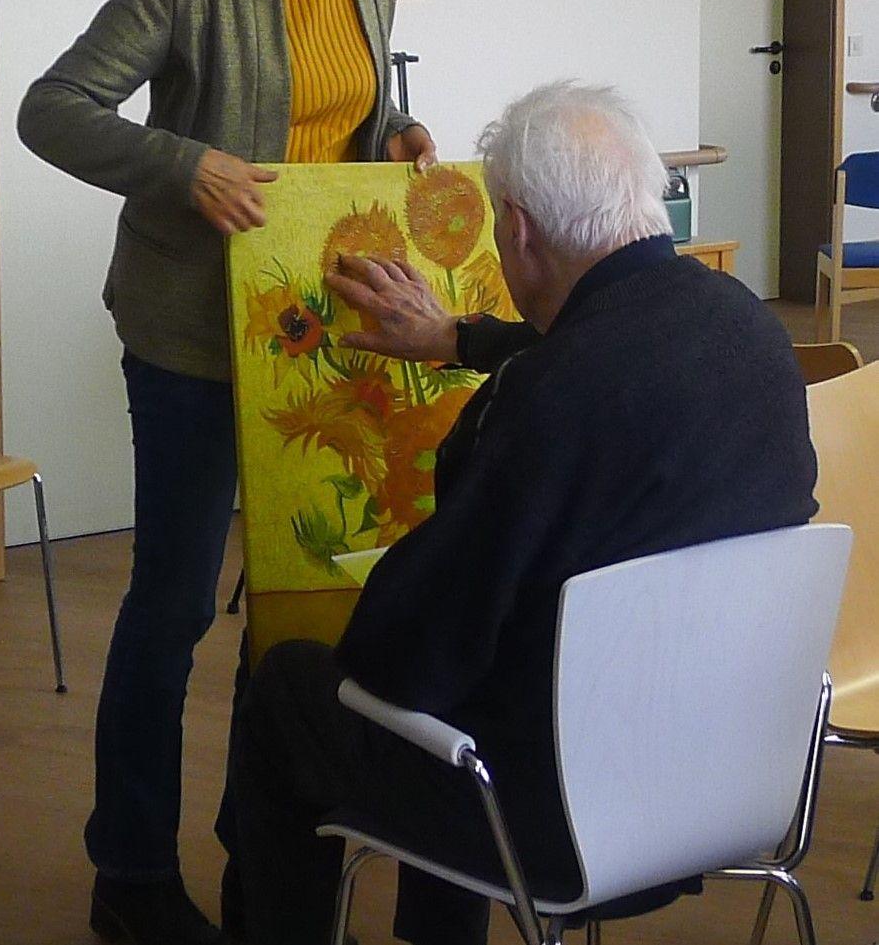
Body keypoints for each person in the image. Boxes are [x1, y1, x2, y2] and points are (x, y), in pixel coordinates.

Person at [220, 79, 819, 945]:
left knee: (296, 688)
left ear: (516, 228)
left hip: (557, 816)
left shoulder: (549, 397)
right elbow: (609, 344)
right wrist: (461, 337)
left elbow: (406, 657)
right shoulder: (751, 331)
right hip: (733, 780)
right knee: (489, 658)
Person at [17, 0, 434, 945]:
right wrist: (179, 161)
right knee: (174, 604)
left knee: (303, 594)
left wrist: (395, 133)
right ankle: (130, 871)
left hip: (319, 324)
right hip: (194, 334)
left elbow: (338, 111)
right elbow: (52, 108)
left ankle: (269, 851)